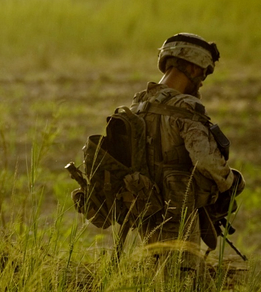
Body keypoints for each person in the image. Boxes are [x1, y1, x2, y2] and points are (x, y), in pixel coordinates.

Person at [72, 33, 245, 272]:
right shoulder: (186, 108)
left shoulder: (137, 106)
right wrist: (230, 182)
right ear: (194, 68)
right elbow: (205, 159)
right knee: (184, 286)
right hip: (178, 213)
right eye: (204, 73)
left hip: (146, 211)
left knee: (159, 275)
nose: (203, 81)